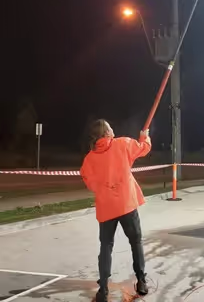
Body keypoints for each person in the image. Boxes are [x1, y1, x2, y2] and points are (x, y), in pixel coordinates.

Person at [80, 119, 152, 302]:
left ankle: (103, 290)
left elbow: (88, 180)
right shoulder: (123, 144)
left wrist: (103, 189)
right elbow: (143, 148)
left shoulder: (90, 158)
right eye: (110, 128)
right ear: (106, 133)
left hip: (106, 207)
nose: (113, 129)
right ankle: (141, 281)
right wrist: (145, 137)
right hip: (126, 203)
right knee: (136, 242)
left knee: (106, 246)